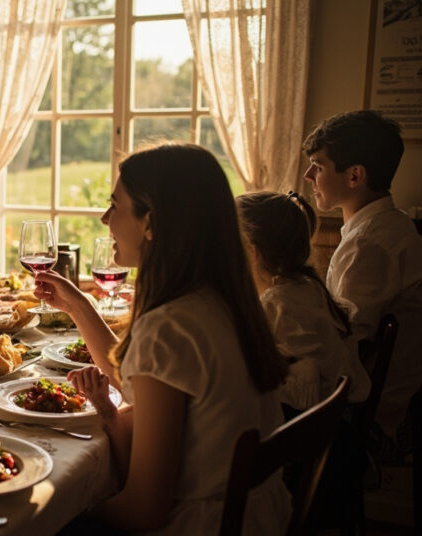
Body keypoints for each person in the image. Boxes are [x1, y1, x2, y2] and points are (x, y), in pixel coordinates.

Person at [35, 143, 291, 534]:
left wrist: (60, 509)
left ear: (151, 223)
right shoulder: (223, 301)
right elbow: (142, 386)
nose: (105, 219)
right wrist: (78, 306)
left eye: (114, 206)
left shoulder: (169, 327)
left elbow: (143, 512)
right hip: (259, 518)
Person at [302, 110, 422, 460]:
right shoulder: (391, 225)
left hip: (371, 420)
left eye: (318, 166)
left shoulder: (369, 245)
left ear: (355, 175)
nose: (309, 175)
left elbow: (344, 343)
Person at [236, 190, 371, 412]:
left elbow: (299, 399)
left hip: (317, 435)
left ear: (252, 251)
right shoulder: (307, 288)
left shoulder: (279, 305)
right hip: (337, 422)